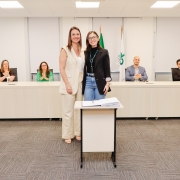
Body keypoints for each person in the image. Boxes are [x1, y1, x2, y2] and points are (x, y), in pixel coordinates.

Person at [59, 26, 85, 144]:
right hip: (68, 83)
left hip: (80, 83)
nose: (76, 36)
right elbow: (62, 68)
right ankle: (67, 134)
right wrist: (67, 84)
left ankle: (77, 132)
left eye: (78, 34)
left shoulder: (83, 50)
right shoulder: (65, 49)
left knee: (78, 110)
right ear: (70, 36)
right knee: (68, 111)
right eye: (73, 34)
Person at [82, 31, 111, 101]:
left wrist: (107, 84)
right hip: (88, 81)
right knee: (87, 106)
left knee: (99, 106)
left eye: (94, 37)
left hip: (100, 81)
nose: (92, 39)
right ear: (88, 41)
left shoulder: (104, 52)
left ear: (98, 38)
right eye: (90, 38)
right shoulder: (85, 53)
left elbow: (107, 69)